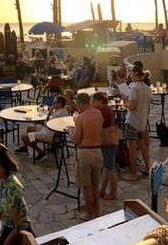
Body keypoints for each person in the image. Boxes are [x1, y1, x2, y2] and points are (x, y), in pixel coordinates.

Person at [0, 144, 35, 244]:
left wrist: (7, 242)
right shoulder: (5, 181)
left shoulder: (12, 187)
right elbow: (5, 206)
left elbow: (17, 226)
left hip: (18, 229)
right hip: (8, 225)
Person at [71, 92, 103, 220]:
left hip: (85, 152)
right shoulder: (98, 114)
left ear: (81, 103)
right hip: (97, 151)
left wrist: (71, 132)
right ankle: (98, 209)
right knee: (95, 184)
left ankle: (90, 213)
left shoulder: (81, 118)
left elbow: (76, 139)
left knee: (86, 185)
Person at [15, 95, 69, 162]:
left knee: (24, 137)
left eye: (54, 102)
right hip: (53, 133)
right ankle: (25, 148)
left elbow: (46, 124)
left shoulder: (57, 115)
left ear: (60, 104)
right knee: (30, 128)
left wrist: (49, 112)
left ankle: (41, 152)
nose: (52, 104)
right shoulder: (64, 111)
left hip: (49, 135)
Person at [123, 66, 151, 181]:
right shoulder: (147, 88)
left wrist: (125, 102)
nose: (130, 76)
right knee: (142, 144)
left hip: (133, 121)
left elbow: (132, 106)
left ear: (135, 74)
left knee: (132, 149)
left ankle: (133, 173)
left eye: (131, 74)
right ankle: (147, 166)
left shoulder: (134, 88)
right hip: (142, 120)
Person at [91, 92, 118, 201]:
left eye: (94, 101)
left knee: (110, 169)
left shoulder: (104, 110)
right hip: (106, 141)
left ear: (100, 101)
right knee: (107, 167)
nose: (92, 104)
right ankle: (102, 190)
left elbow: (99, 123)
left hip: (108, 141)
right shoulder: (104, 108)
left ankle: (113, 193)